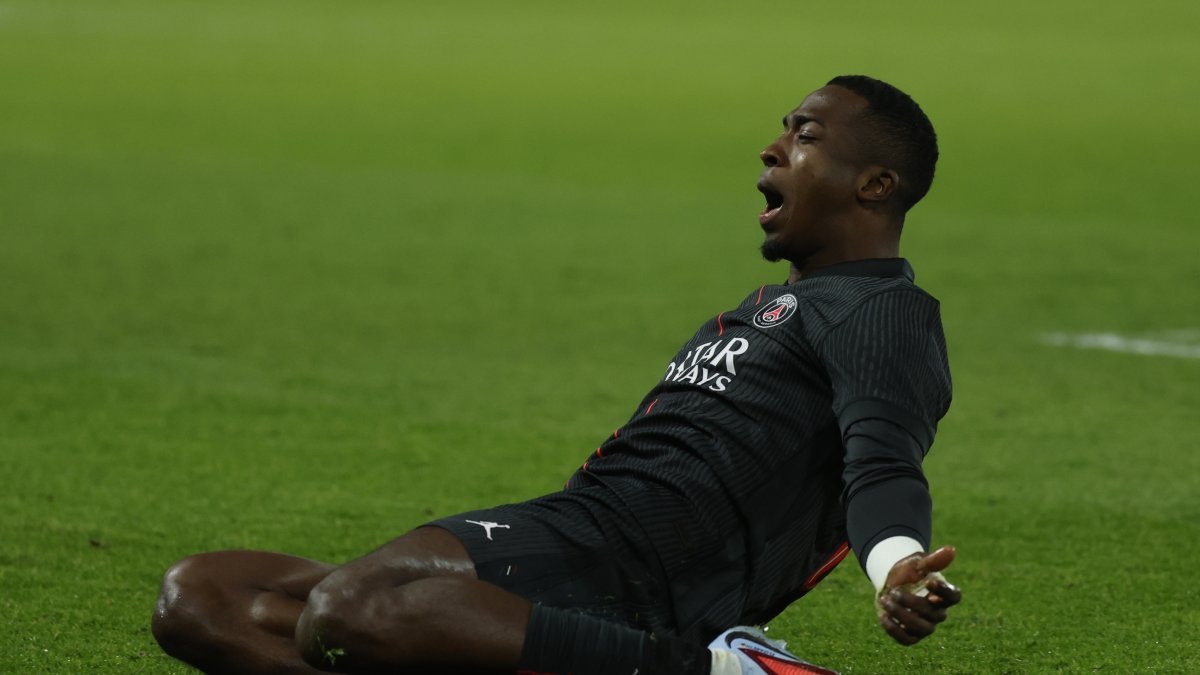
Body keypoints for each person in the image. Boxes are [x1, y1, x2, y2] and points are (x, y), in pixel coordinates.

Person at [151, 74, 963, 675]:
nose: (774, 145)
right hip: (578, 536)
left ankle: (727, 671)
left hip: (643, 578)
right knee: (201, 597)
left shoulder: (883, 312)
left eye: (808, 134)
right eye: (785, 127)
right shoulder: (766, 308)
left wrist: (895, 562)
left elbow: (883, 459)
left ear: (875, 184)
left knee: (352, 609)